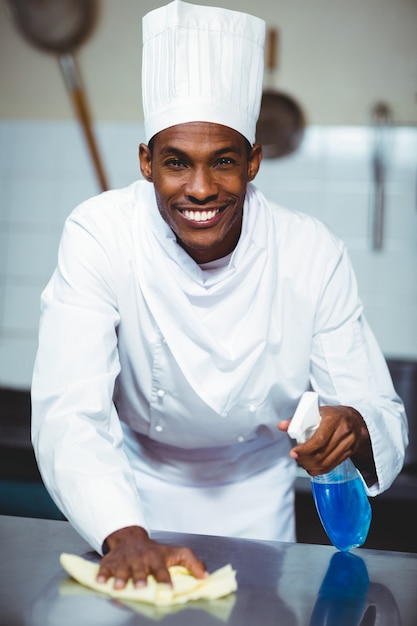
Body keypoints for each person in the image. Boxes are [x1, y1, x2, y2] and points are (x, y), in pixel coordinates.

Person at [31, 0, 408, 590]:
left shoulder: (310, 251)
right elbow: (69, 413)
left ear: (253, 162)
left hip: (257, 505)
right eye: (176, 162)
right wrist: (125, 534)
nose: (200, 189)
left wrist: (351, 426)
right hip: (129, 500)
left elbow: (376, 411)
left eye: (224, 162)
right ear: (146, 163)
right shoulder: (99, 233)